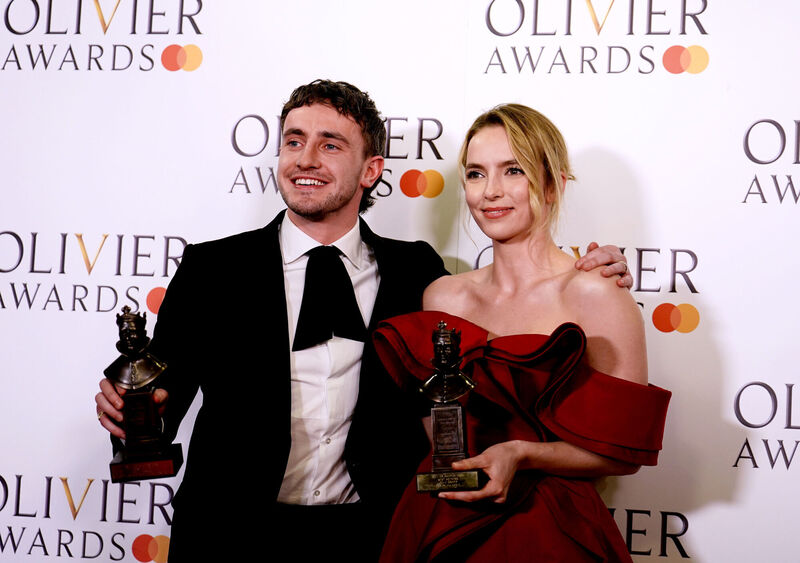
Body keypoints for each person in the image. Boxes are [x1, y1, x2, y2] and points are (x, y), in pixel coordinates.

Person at [95, 82, 633, 561]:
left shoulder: (418, 274)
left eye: (330, 145)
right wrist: (130, 410)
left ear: (371, 170)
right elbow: (160, 406)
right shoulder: (212, 269)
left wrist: (590, 270)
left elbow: (511, 313)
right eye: (293, 141)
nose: (306, 159)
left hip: (373, 539)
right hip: (228, 536)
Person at [373, 104, 671, 562]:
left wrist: (522, 454)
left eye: (513, 170)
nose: (490, 191)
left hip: (550, 530)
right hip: (441, 522)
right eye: (476, 174)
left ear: (553, 185)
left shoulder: (596, 293)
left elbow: (624, 453)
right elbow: (438, 430)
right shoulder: (443, 298)